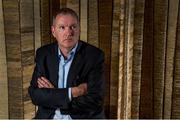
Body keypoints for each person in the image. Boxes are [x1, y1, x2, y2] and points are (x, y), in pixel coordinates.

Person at [28, 7, 105, 119]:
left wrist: (54, 95)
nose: (68, 32)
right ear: (53, 31)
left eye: (73, 27)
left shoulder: (94, 55)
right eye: (62, 27)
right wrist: (73, 92)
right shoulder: (43, 54)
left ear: (79, 29)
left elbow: (95, 100)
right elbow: (35, 95)